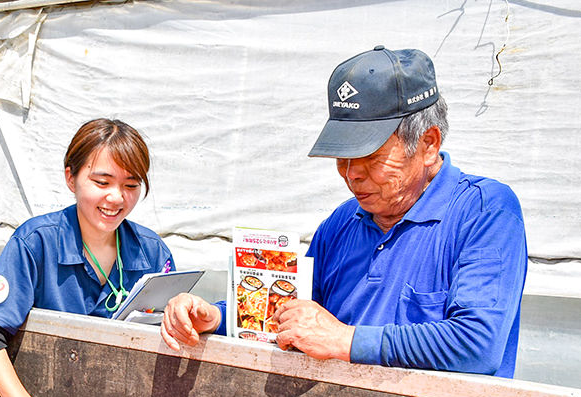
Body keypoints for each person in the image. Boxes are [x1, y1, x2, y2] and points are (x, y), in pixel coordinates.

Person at [161, 46, 527, 378]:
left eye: (371, 157)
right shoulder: (342, 222)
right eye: (342, 158)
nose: (352, 174)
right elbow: (292, 310)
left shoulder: (485, 211)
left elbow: (478, 344)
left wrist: (345, 340)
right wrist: (218, 316)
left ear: (428, 144)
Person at [0, 119, 174, 397]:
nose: (116, 198)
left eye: (131, 186)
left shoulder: (152, 251)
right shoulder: (35, 242)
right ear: (70, 177)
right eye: (101, 181)